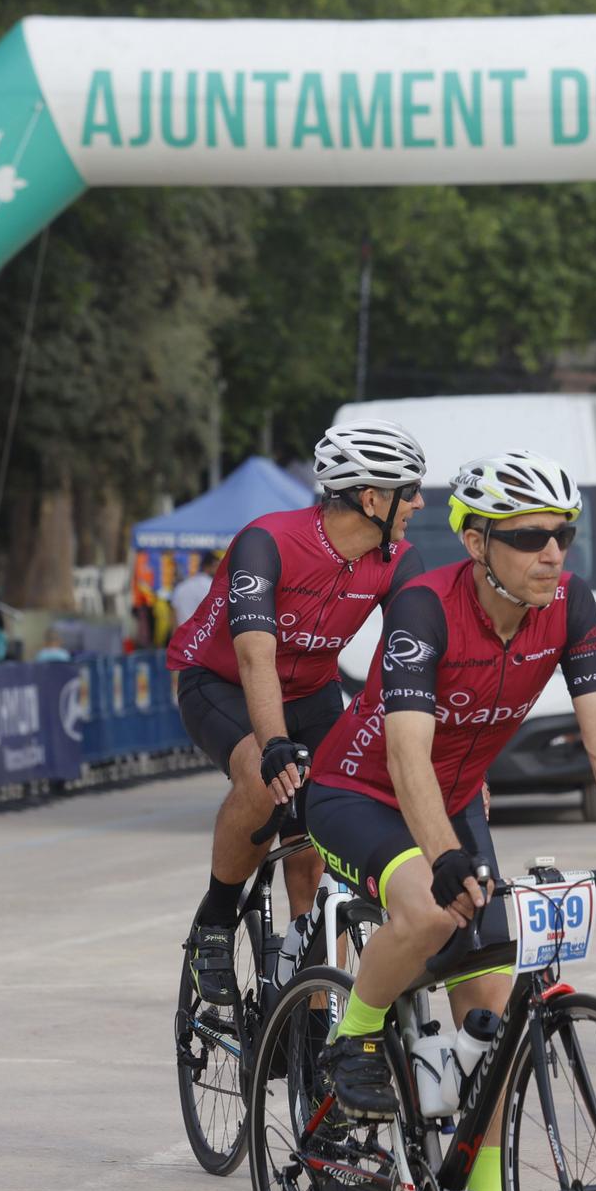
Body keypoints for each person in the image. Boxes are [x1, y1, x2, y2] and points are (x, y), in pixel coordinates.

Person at [304, 451, 596, 1191]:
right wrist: (442, 861)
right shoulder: (422, 608)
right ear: (478, 544)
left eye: (563, 535)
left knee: (491, 1025)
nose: (554, 553)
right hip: (359, 792)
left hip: (453, 798)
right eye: (530, 538)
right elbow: (406, 750)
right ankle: (355, 1032)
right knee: (433, 911)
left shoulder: (569, 606)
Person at [168, 416, 429, 1007]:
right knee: (265, 780)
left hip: (312, 693)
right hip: (222, 682)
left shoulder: (397, 560)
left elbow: (409, 667)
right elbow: (256, 657)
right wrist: (274, 745)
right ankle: (214, 922)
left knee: (322, 842)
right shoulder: (268, 541)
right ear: (372, 498)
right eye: (410, 490)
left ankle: (309, 1010)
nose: (418, 502)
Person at [169, 552, 213, 631]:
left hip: (183, 637)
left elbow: (173, 617)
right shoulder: (212, 587)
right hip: (200, 637)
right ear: (209, 566)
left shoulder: (181, 586)